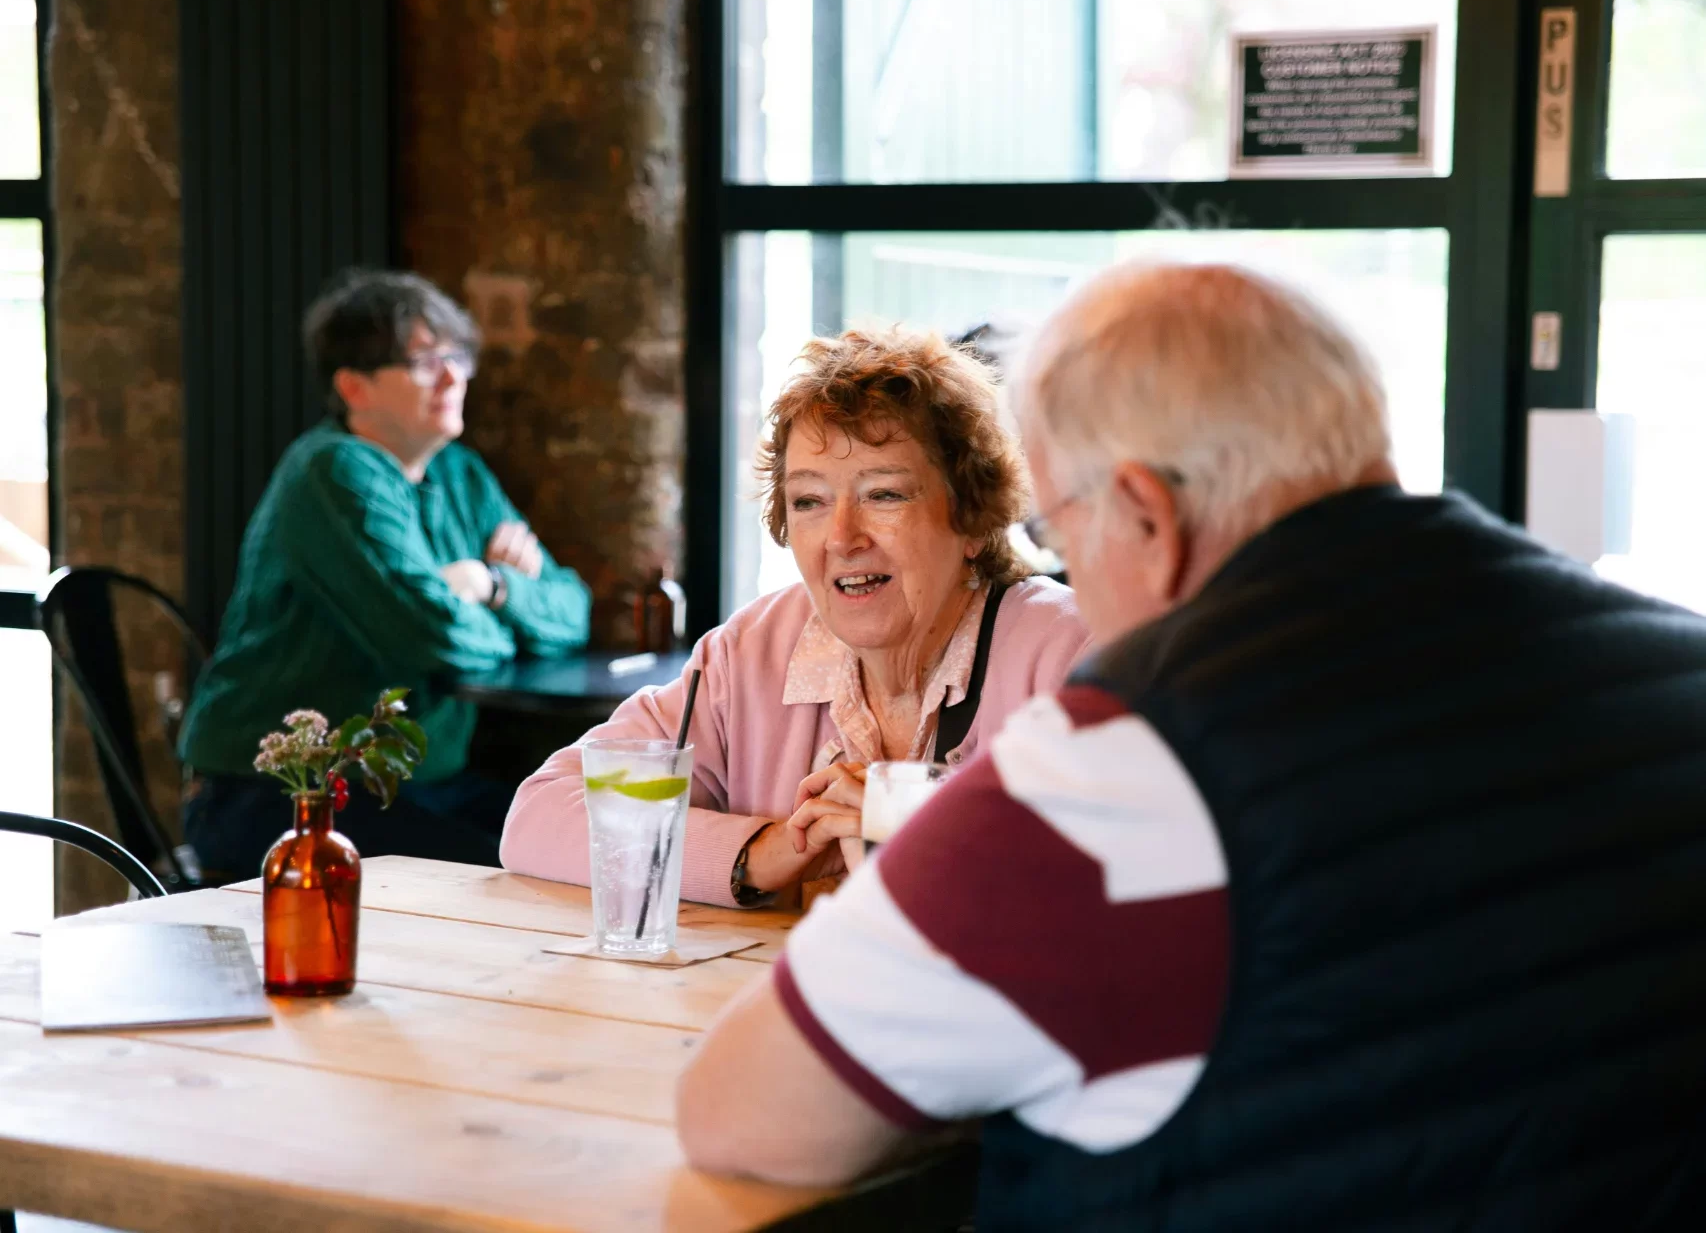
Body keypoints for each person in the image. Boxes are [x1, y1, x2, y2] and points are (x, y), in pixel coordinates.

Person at [676, 264, 1706, 1228]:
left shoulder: (1127, 768)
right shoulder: (1675, 665)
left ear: (1144, 516)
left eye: (1070, 540)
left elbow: (743, 1112)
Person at [501, 326, 1089, 907]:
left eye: (884, 494)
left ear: (973, 519)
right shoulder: (750, 653)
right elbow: (542, 814)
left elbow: (1132, 895)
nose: (841, 537)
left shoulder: (1070, 656)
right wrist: (765, 850)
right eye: (808, 501)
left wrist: (918, 835)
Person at [179, 270, 593, 878]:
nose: (453, 376)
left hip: (416, 783)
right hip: (283, 797)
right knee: (524, 877)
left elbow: (572, 610)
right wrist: (497, 619)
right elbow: (440, 638)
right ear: (354, 386)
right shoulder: (334, 473)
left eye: (456, 356)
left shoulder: (459, 473)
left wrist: (488, 585)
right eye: (423, 361)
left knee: (584, 846)